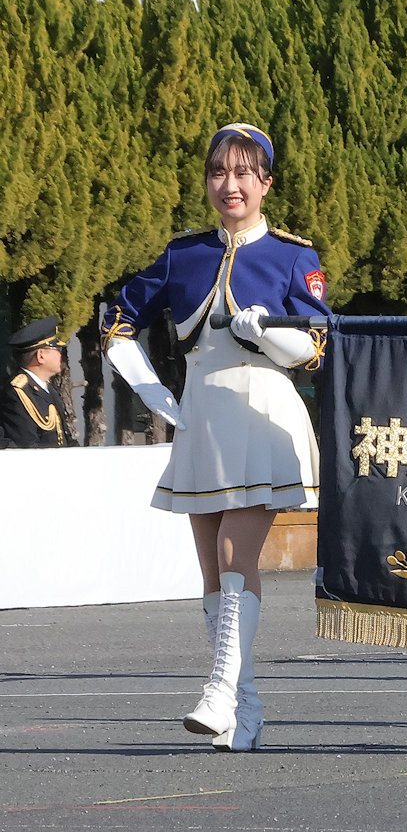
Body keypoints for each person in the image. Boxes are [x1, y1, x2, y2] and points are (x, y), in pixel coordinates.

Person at [101, 122, 330, 751]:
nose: (231, 185)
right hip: (201, 415)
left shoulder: (291, 256)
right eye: (219, 172)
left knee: (235, 550)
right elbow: (118, 321)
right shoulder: (184, 255)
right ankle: (245, 709)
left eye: (244, 174)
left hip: (261, 410)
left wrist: (269, 333)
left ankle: (221, 688)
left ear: (266, 184)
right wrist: (153, 393)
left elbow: (317, 346)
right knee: (211, 563)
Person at [1, 318, 74, 448]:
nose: (61, 355)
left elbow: (65, 439)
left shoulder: (48, 389)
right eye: (57, 349)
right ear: (41, 356)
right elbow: (26, 445)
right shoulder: (16, 393)